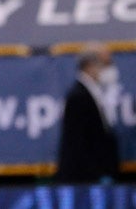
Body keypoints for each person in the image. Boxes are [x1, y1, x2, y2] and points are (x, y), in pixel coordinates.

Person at [56, 43, 120, 184]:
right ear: (90, 66)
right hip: (84, 181)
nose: (111, 69)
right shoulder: (78, 96)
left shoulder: (93, 93)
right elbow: (77, 143)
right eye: (107, 64)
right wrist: (96, 176)